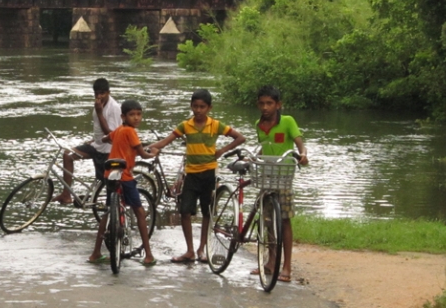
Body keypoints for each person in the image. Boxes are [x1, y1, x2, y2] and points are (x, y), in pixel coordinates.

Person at [147, 89, 245, 263]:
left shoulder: (216, 125)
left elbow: (239, 138)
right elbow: (168, 139)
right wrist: (151, 147)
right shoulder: (186, 125)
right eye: (195, 106)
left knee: (207, 212)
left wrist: (222, 151)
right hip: (191, 173)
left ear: (209, 108)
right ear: (191, 106)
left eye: (202, 107)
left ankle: (202, 248)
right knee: (185, 211)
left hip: (208, 172)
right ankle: (190, 250)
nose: (198, 110)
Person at [251, 85, 309, 283]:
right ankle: (271, 261)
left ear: (278, 105)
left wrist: (303, 154)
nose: (265, 107)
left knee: (284, 219)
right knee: (267, 220)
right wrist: (252, 160)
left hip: (283, 176)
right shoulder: (258, 124)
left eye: (269, 103)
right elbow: (263, 148)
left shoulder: (287, 121)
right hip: (266, 176)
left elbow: (299, 141)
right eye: (262, 103)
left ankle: (287, 266)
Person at [88, 100, 157, 266]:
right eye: (132, 115)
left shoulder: (119, 130)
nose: (136, 118)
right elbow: (142, 153)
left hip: (110, 174)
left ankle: (96, 253)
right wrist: (153, 152)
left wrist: (115, 142)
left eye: (139, 114)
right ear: (123, 116)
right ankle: (148, 254)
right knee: (140, 212)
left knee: (107, 211)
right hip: (125, 176)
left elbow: (105, 138)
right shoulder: (131, 132)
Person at [52, 78, 122, 205]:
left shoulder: (114, 108)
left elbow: (111, 135)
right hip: (97, 145)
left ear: (108, 92)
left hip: (108, 150)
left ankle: (111, 212)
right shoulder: (98, 106)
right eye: (97, 93)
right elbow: (98, 129)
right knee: (67, 155)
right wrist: (93, 140)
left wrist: (100, 113)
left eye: (102, 93)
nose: (99, 96)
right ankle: (66, 195)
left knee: (107, 184)